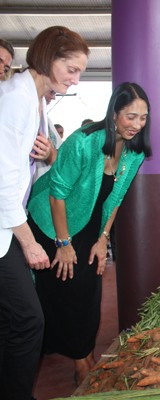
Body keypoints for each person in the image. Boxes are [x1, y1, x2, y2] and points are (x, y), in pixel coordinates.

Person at [28, 82, 151, 385]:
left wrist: (103, 239)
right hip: (51, 223)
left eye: (143, 117)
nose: (137, 125)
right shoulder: (83, 142)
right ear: (114, 114)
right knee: (63, 290)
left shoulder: (134, 152)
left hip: (90, 224)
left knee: (87, 290)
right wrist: (63, 243)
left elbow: (116, 197)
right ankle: (78, 360)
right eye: (130, 116)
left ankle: (83, 356)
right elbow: (57, 194)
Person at [0, 25, 89, 399]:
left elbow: (45, 163)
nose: (76, 79)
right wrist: (29, 242)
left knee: (18, 321)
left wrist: (48, 155)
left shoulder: (36, 101)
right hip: (9, 228)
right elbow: (3, 179)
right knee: (27, 321)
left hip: (9, 226)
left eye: (80, 72)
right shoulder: (14, 100)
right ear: (48, 58)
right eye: (72, 69)